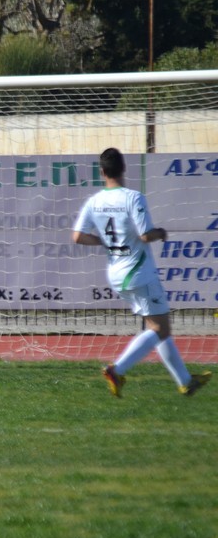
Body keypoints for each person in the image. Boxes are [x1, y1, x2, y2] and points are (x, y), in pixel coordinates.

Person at [73, 147, 211, 397]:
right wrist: (161, 233)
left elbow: (78, 236)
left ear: (102, 172)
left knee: (156, 327)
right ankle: (117, 370)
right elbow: (146, 235)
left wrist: (104, 242)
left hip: (116, 272)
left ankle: (185, 381)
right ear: (124, 168)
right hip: (138, 271)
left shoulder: (94, 201)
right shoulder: (133, 197)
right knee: (159, 329)